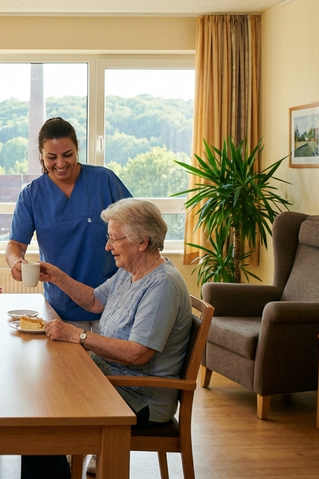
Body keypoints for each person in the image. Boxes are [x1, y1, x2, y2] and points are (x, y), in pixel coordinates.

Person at [20, 199, 192, 478]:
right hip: (109, 381)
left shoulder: (162, 285)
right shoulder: (129, 273)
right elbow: (93, 301)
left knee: (44, 415)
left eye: (114, 239)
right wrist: (59, 278)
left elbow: (138, 353)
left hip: (138, 397)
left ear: (142, 241)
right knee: (41, 393)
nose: (107, 246)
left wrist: (79, 335)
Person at [6, 117, 132, 335]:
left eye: (68, 155)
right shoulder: (32, 195)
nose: (61, 164)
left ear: (77, 150)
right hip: (62, 307)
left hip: (113, 302)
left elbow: (137, 226)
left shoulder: (105, 180)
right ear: (41, 156)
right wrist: (16, 262)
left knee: (110, 367)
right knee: (69, 369)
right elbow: (15, 244)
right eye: (51, 157)